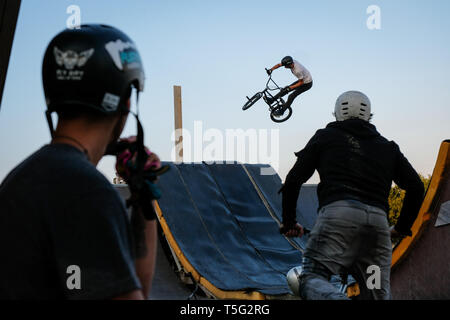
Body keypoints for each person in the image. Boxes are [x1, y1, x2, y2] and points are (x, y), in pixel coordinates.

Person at [0, 24, 160, 299]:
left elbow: (130, 286)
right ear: (125, 102)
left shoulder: (21, 178)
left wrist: (141, 193)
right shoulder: (88, 192)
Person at [279, 91, 424, 300]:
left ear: (336, 113)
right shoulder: (387, 147)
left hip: (339, 218)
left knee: (311, 278)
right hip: (376, 229)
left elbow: (293, 180)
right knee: (375, 291)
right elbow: (416, 188)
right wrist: (400, 228)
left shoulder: (325, 137)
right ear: (369, 115)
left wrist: (289, 222)